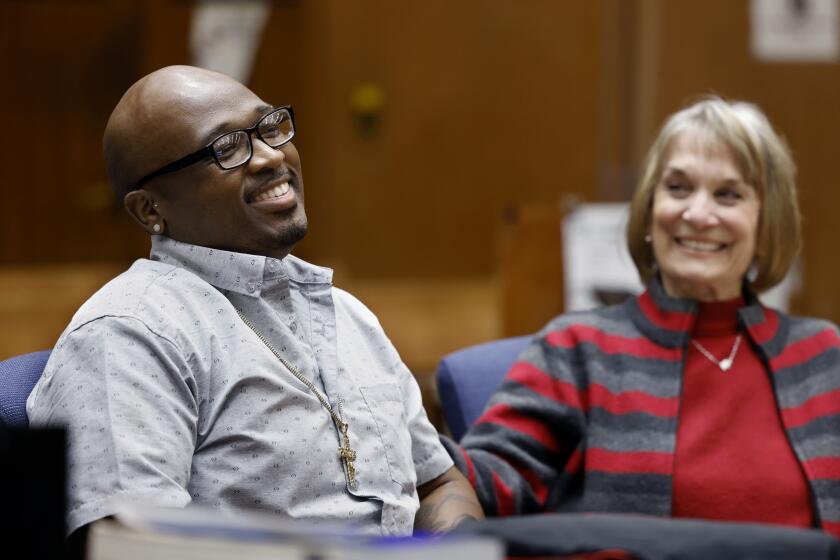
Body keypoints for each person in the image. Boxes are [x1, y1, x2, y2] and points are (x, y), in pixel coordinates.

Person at [26, 65, 482, 547]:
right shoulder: (130, 332)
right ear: (150, 209)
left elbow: (437, 481)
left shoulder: (347, 315)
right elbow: (134, 545)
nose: (269, 156)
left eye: (270, 127)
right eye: (225, 149)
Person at [444, 96, 840, 537]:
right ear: (650, 211)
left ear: (768, 224)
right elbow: (487, 478)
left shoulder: (825, 357)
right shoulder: (579, 349)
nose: (698, 213)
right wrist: (404, 438)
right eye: (678, 188)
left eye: (728, 194)